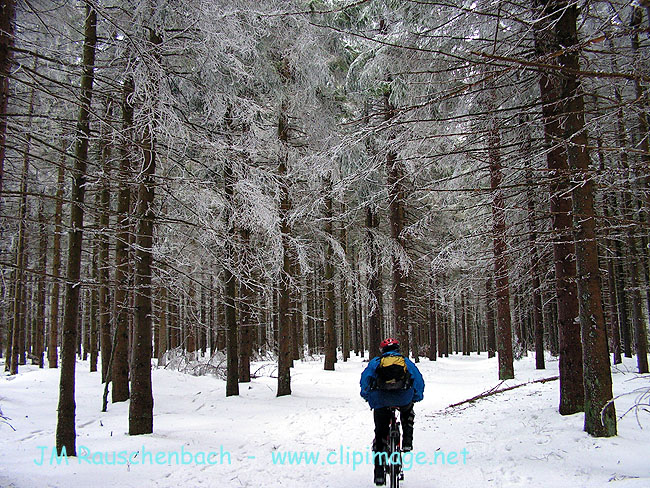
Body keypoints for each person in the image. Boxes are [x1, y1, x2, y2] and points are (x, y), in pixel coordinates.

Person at [360, 338, 425, 486]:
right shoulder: (405, 362)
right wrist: (416, 396)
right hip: (403, 398)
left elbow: (365, 380)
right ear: (397, 349)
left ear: (382, 350)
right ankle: (407, 441)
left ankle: (378, 473)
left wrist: (367, 395)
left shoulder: (376, 362)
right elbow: (418, 380)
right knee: (407, 412)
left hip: (381, 400)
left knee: (380, 433)